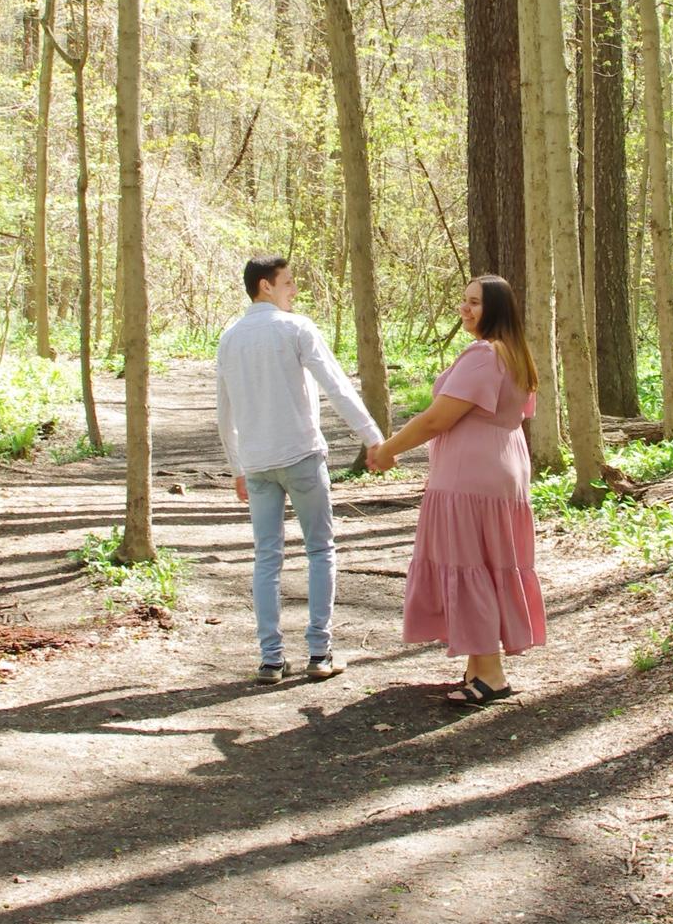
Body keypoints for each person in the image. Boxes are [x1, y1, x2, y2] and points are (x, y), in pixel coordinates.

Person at [367, 275, 543, 707]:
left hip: (470, 478)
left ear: (496, 309)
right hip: (501, 471)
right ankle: (479, 665)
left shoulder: (483, 355)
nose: (465, 309)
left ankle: (491, 674)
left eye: (475, 303)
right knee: (487, 564)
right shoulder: (515, 354)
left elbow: (436, 419)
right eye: (463, 301)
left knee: (468, 565)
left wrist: (388, 450)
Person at [216, 254, 386, 685]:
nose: (294, 289)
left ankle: (271, 659)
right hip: (301, 456)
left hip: (256, 463)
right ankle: (319, 651)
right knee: (320, 549)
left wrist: (236, 464)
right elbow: (336, 385)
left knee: (267, 557)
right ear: (265, 285)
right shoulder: (296, 328)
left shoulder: (230, 337)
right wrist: (373, 437)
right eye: (288, 282)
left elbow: (224, 410)